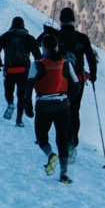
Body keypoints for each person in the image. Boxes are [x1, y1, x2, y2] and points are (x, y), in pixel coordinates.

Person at [31, 28, 80, 182]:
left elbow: (28, 86)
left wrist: (26, 105)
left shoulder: (37, 65)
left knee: (41, 137)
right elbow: (76, 85)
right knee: (62, 139)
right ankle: (64, 174)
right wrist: (68, 100)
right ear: (57, 47)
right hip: (62, 105)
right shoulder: (65, 63)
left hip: (43, 105)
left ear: (44, 48)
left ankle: (51, 155)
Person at [55, 6, 99, 118]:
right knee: (75, 109)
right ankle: (74, 135)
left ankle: (63, 133)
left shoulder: (56, 36)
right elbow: (91, 58)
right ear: (73, 20)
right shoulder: (82, 38)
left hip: (59, 78)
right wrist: (93, 74)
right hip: (78, 78)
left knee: (61, 108)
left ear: (61, 20)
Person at [0, 15, 38, 123]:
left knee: (9, 91)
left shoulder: (5, 36)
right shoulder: (29, 38)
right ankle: (19, 119)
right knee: (21, 95)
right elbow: (38, 55)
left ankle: (10, 103)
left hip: (9, 70)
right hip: (24, 71)